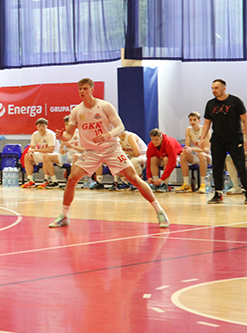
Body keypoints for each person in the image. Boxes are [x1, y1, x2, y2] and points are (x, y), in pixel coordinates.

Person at [49, 78, 169, 228]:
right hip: (91, 152)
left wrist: (107, 135)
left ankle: (159, 211)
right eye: (80, 89)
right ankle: (64, 216)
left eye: (85, 89)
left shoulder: (105, 106)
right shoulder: (76, 111)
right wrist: (62, 137)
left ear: (92, 90)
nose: (82, 92)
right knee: (72, 178)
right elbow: (68, 135)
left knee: (134, 178)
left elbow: (120, 127)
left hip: (111, 148)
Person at [199, 79, 247, 204]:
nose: (214, 91)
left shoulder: (235, 101)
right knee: (217, 167)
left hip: (235, 138)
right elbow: (206, 124)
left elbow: (245, 120)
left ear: (223, 88)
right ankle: (218, 193)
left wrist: (245, 137)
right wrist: (202, 138)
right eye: (212, 88)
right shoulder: (210, 104)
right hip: (218, 139)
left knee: (240, 166)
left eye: (216, 88)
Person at [22, 118, 62, 188]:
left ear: (46, 126)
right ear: (36, 127)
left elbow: (50, 149)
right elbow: (32, 146)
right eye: (39, 126)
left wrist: (36, 150)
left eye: (43, 126)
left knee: (45, 156)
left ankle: (50, 180)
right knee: (27, 156)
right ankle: (30, 180)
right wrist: (30, 152)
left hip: (54, 154)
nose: (41, 128)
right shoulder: (35, 134)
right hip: (43, 153)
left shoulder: (50, 134)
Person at [178, 111, 211, 192]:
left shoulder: (205, 130)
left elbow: (206, 150)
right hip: (197, 157)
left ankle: (203, 184)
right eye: (190, 120)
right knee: (183, 155)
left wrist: (192, 149)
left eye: (194, 120)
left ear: (199, 121)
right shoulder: (189, 130)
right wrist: (186, 150)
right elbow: (187, 146)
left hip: (207, 158)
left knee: (201, 155)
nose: (192, 122)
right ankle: (186, 184)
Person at [145, 128, 181, 193]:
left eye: (156, 139)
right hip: (162, 157)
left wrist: (162, 178)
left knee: (166, 159)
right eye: (153, 140)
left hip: (177, 157)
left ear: (161, 138)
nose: (154, 142)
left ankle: (165, 184)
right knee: (153, 159)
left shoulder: (169, 143)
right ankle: (156, 184)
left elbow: (172, 162)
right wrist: (149, 176)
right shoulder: (151, 145)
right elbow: (148, 162)